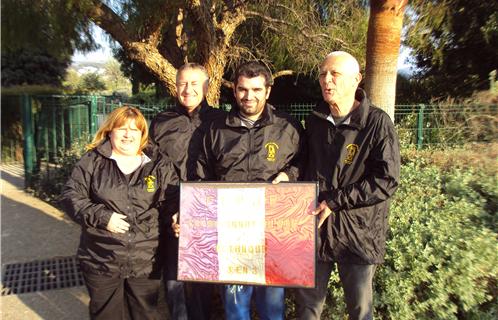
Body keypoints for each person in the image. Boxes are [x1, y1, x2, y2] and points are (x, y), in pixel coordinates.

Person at [294, 51, 401, 320]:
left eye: (335, 74)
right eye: (322, 74)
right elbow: (306, 165)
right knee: (307, 307)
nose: (326, 80)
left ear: (356, 80)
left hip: (358, 233)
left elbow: (386, 180)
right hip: (316, 228)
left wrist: (334, 200)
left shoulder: (377, 123)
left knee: (359, 308)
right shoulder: (315, 121)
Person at [195, 61, 305, 320]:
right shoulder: (216, 129)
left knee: (272, 307)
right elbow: (202, 175)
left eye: (256, 89)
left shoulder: (288, 127)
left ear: (268, 91)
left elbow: (304, 163)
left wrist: (289, 175)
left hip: (273, 232)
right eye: (243, 89)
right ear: (234, 91)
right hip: (232, 234)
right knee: (235, 308)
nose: (249, 96)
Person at [62, 106, 179, 320]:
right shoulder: (92, 161)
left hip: (146, 259)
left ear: (142, 134)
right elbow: (71, 197)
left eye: (135, 130)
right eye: (122, 128)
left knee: (144, 314)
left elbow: (170, 200)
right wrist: (103, 217)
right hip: (101, 259)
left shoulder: (158, 164)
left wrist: (176, 215)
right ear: (110, 131)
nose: (128, 134)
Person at [149, 63, 225, 320]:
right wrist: (173, 210)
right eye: (182, 83)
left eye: (194, 83)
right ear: (175, 86)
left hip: (209, 215)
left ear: (206, 86)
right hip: (172, 214)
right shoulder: (161, 122)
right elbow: (153, 169)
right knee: (174, 284)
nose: (188, 89)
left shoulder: (222, 121)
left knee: (203, 285)